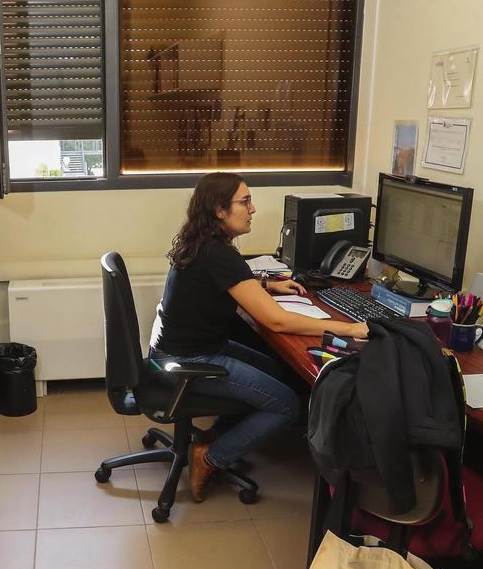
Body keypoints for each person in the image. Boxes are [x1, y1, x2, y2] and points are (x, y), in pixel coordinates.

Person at [151, 172, 369, 502]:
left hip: (183, 349)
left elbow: (224, 284)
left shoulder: (202, 242)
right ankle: (210, 457)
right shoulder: (219, 254)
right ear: (219, 211)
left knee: (273, 368)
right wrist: (351, 328)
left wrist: (267, 285)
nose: (253, 209)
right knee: (287, 406)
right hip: (190, 361)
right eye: (245, 201)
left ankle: (214, 437)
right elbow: (276, 321)